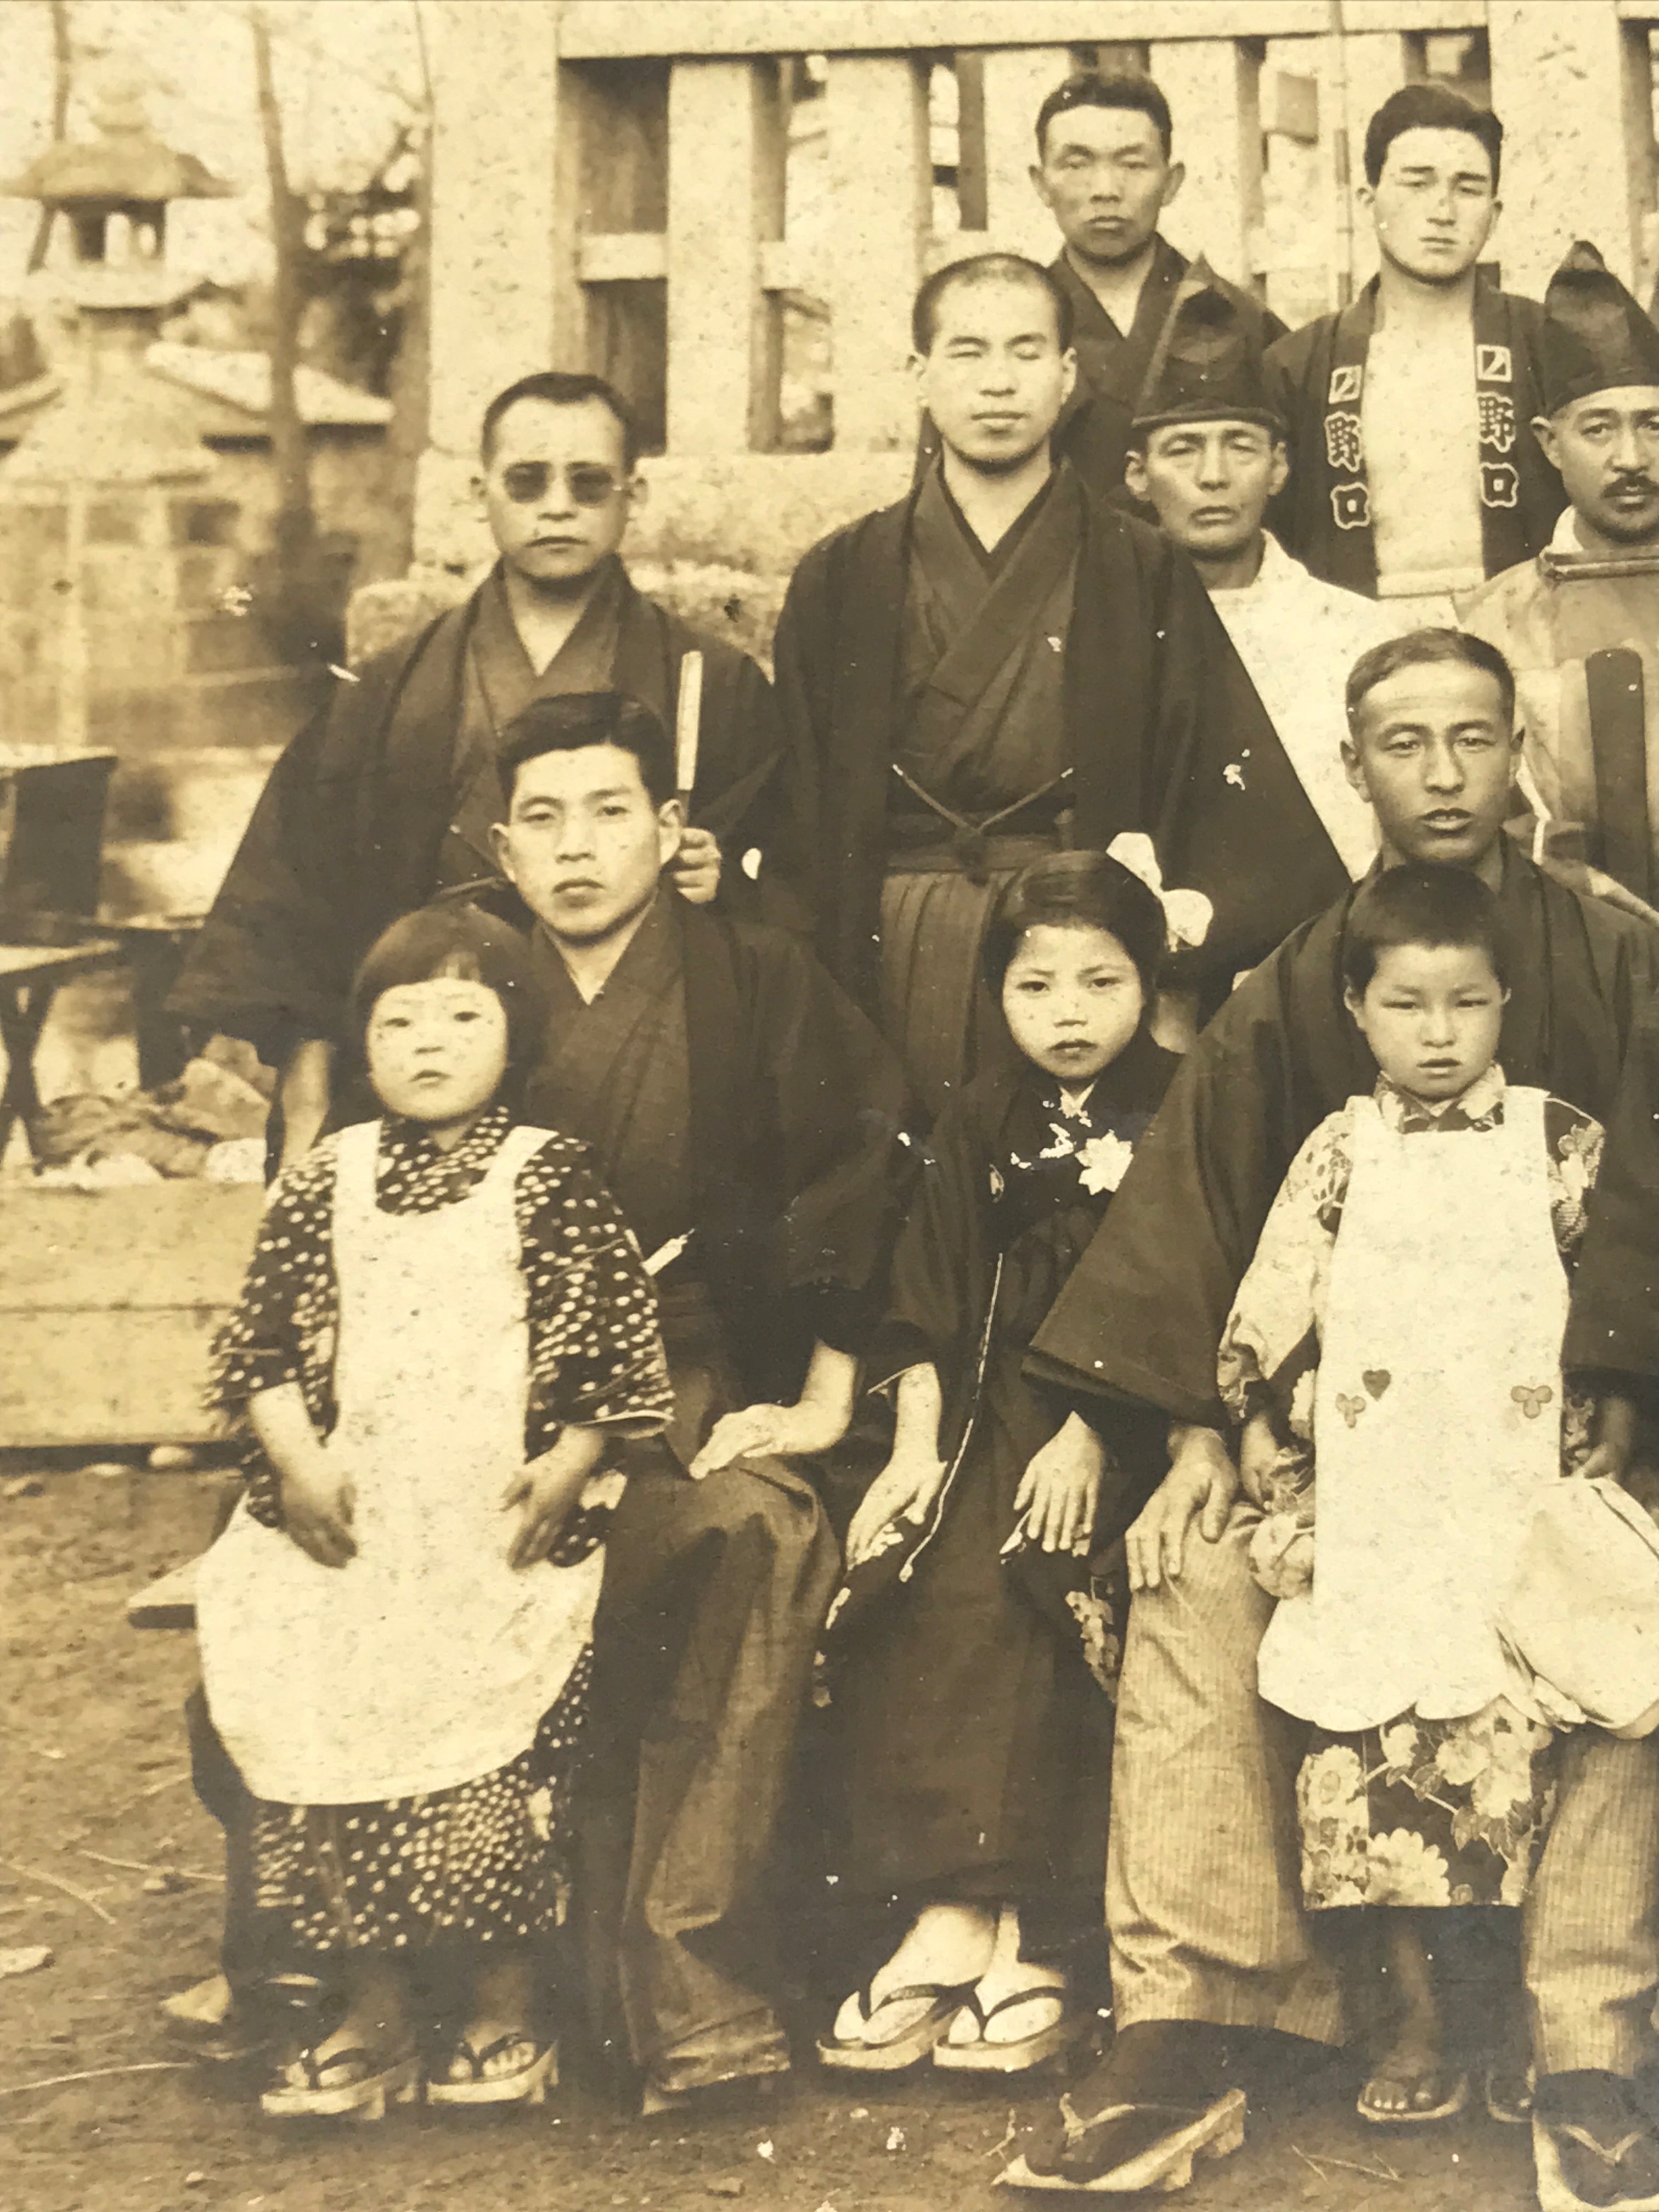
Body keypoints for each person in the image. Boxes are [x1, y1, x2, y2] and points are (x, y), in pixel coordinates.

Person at [1007, 631, 1659, 2202]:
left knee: (1626, 1602)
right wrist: (1193, 1436)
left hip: (1582, 1434)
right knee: (1196, 1574)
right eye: (1404, 743)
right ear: (1353, 763)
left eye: (1473, 739)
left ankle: (1593, 2041)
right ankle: (1193, 2020)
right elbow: (1212, 1233)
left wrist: (1624, 1404)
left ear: (1523, 759)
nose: (1442, 774)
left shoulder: (1625, 956)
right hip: (1342, 1452)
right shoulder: (1297, 984)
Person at [479, 689, 915, 2112]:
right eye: (542, 820)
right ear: (501, 847)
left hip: (689, 1366)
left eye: (611, 811)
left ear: (672, 830)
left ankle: (695, 1986)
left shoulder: (753, 974)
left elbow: (866, 1153)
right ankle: (474, 1985)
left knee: (761, 1530)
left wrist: (829, 1393)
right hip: (489, 1385)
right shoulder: (464, 986)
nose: (578, 848)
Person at [194, 902, 674, 2120]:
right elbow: (257, 1351)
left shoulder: (546, 1176)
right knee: (321, 1681)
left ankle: (508, 2003)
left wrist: (566, 1465)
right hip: (355, 1505)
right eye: (399, 1020)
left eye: (465, 1015)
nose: (430, 1042)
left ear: (516, 1034)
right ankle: (375, 2006)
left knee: (488, 1739)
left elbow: (610, 1349)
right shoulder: (325, 1179)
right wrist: (300, 1466)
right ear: (363, 1047)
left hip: (493, 1508)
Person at [170, 369, 793, 1170]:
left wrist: (725, 882)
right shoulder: (390, 689)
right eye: (528, 481)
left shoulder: (713, 679)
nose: (558, 505)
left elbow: (789, 880)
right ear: (480, 491)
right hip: (429, 1042)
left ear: (632, 496)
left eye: (589, 482)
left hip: (642, 1054)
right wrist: (308, 1092)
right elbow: (303, 899)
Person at [1220, 865, 1613, 2128]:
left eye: (1468, 1005)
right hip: (1382, 1496)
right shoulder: (1341, 1150)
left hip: (1508, 1497)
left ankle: (1509, 2021)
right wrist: (1256, 1414)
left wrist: (1614, 1388)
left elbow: (1615, 1290)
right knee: (1372, 1763)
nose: (1439, 1036)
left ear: (1507, 1003)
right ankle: (1418, 2019)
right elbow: (1274, 1301)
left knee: (1509, 1761)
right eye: (1407, 1006)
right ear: (1356, 1007)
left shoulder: (1559, 1142)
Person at [775, 249, 1348, 1113]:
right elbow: (802, 805)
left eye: (1026, 351)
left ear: (1068, 375)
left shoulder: (1139, 565)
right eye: (968, 353)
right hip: (893, 947)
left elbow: (1205, 774)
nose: (999, 383)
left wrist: (1167, 951)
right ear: (920, 375)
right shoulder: (842, 573)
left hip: (1082, 948)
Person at [815, 850, 1176, 2077]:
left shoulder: (1185, 1103)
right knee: (923, 1568)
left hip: (1126, 1420)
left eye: (1100, 981)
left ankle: (1041, 1928)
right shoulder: (977, 1117)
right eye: (1035, 987)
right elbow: (925, 1290)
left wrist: (1093, 1428)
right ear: (997, 994)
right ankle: (947, 1908)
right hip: (980, 1406)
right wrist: (912, 1449)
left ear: (1151, 983)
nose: (1067, 1014)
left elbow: (1187, 1287)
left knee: (1046, 1570)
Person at [1124, 266, 1403, 878]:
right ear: (1137, 476)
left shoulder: (1361, 635)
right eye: (1183, 448)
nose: (1214, 476)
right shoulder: (1107, 630)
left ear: (1278, 468)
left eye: (1241, 446)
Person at [917, 71, 1283, 504]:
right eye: (1077, 164)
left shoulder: (1240, 320)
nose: (1106, 190)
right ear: (1041, 183)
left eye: (1132, 164)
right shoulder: (995, 325)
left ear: (1171, 182)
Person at [1265, 85, 1564, 616]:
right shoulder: (1301, 363)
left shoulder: (1546, 341)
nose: (1443, 211)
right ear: (1368, 201)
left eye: (1467, 188)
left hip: (1528, 626)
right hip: (1357, 631)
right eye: (1417, 183)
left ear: (1494, 213)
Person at [1462, 240, 1659, 909]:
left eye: (1654, 426)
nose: (1632, 458)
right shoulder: (1493, 620)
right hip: (1569, 941)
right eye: (1598, 429)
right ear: (1549, 442)